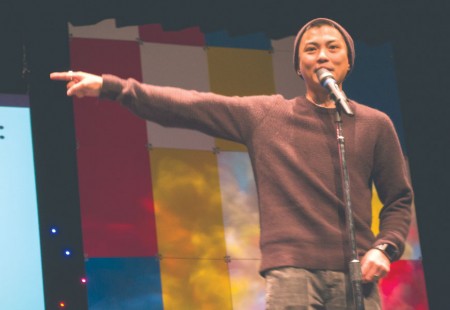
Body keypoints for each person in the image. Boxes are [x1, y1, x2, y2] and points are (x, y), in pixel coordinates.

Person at [51, 18, 412, 309]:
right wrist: (111, 87)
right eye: (311, 49)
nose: (322, 56)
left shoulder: (373, 124)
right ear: (299, 66)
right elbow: (189, 104)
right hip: (291, 274)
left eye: (333, 48)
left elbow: (398, 199)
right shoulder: (268, 115)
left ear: (348, 61)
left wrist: (385, 247)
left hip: (357, 278)